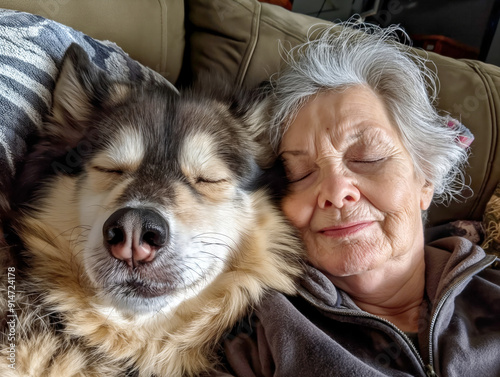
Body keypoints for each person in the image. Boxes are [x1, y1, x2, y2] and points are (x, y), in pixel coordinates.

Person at [214, 23, 500, 377]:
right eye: (300, 174)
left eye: (368, 158)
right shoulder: (256, 332)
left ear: (425, 179)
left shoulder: (493, 293)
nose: (335, 191)